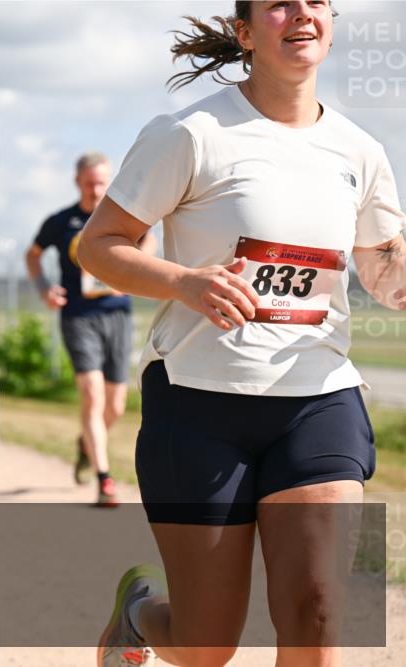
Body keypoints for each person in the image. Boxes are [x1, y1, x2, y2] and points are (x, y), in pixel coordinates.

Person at [78, 2, 406, 666]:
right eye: (280, 3)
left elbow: (383, 264)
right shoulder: (192, 134)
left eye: (316, 0)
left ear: (332, 24)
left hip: (318, 396)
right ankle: (138, 612)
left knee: (317, 610)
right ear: (246, 32)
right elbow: (98, 246)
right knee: (206, 644)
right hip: (200, 403)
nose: (302, 13)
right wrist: (183, 282)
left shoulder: (359, 151)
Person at [26, 152, 156, 507]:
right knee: (92, 394)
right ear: (78, 182)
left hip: (116, 315)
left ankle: (86, 444)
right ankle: (104, 478)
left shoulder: (120, 217)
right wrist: (44, 288)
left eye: (102, 182)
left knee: (114, 404)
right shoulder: (61, 221)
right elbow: (33, 254)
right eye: (90, 183)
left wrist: (131, 274)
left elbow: (149, 239)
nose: (96, 189)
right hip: (78, 316)